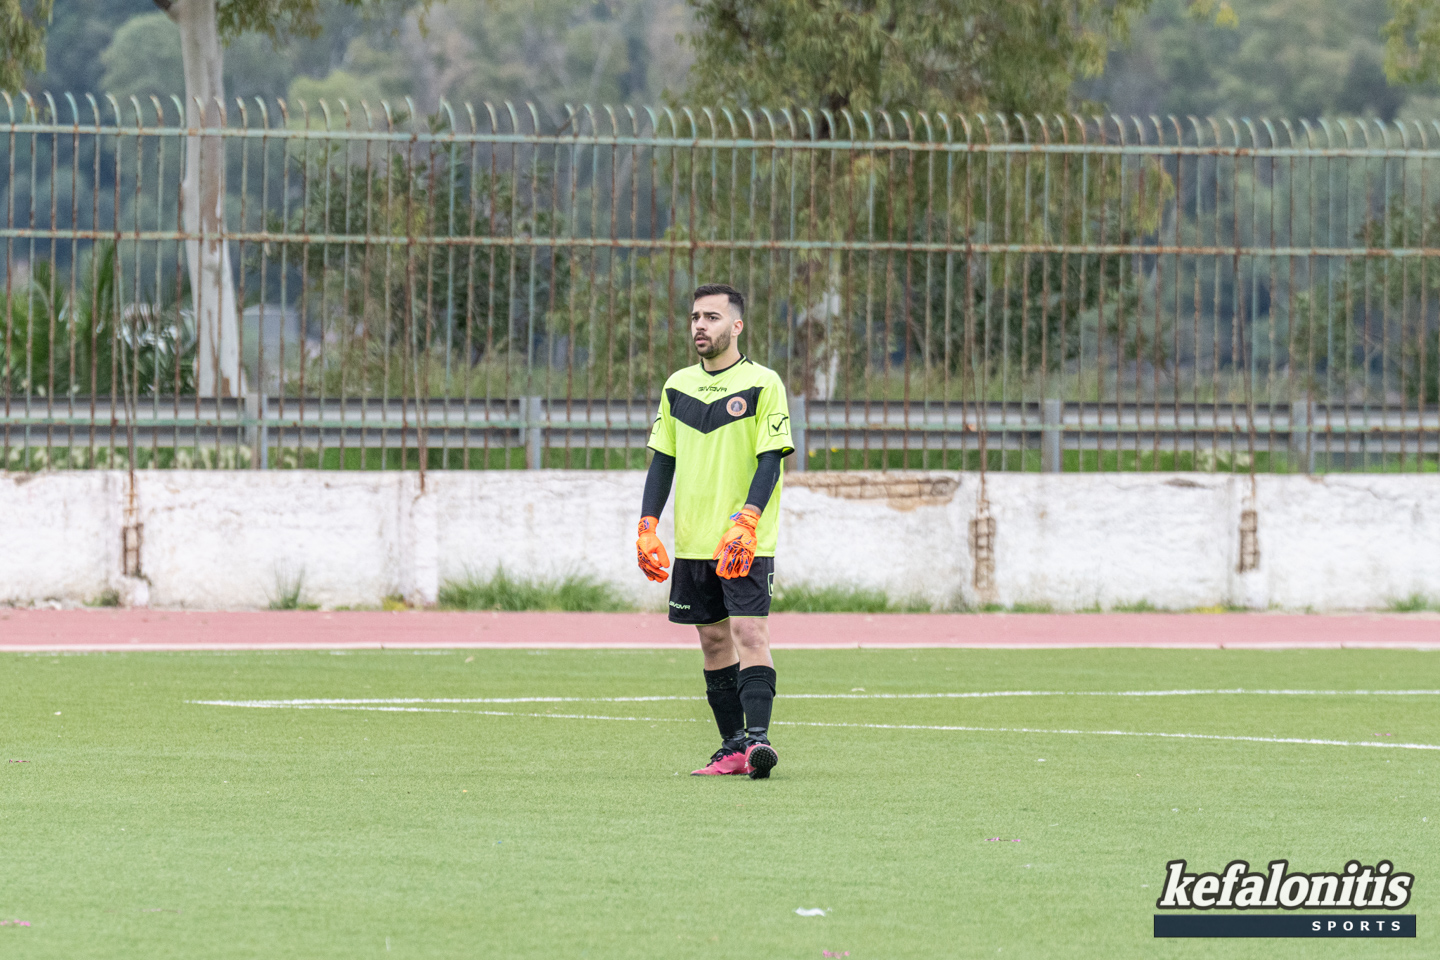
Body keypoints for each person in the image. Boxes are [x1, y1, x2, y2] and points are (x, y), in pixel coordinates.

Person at [635, 283, 794, 780]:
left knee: (749, 631)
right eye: (695, 318)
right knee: (712, 642)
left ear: (736, 326)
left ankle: (759, 740)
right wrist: (647, 525)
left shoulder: (763, 382)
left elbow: (771, 458)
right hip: (694, 540)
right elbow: (663, 460)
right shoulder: (677, 385)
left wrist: (748, 519)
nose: (700, 326)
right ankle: (732, 748)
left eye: (712, 317)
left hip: (743, 540)